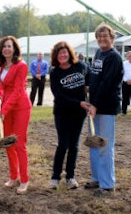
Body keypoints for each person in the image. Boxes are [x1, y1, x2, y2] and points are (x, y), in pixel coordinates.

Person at [85, 23, 123, 197]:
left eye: (105, 36)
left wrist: (95, 104)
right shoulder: (99, 53)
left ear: (112, 38)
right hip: (94, 104)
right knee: (94, 142)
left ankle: (107, 184)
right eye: (99, 36)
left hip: (106, 106)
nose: (102, 39)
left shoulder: (114, 57)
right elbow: (95, 77)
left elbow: (107, 84)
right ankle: (97, 178)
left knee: (104, 145)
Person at [48, 41, 89, 190]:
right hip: (62, 112)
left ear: (70, 53)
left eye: (65, 52)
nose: (63, 55)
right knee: (63, 144)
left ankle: (70, 176)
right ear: (56, 56)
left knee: (74, 145)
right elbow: (58, 96)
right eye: (60, 54)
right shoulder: (55, 72)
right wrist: (79, 103)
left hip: (79, 114)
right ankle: (55, 177)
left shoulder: (81, 66)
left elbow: (90, 80)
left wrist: (89, 88)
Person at [0, 35, 32, 195]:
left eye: (9, 46)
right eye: (4, 46)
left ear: (15, 49)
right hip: (7, 107)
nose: (7, 49)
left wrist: (5, 109)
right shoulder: (3, 65)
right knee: (8, 143)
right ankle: (13, 176)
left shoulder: (21, 66)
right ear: (1, 50)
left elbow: (17, 90)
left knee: (19, 144)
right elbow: (4, 84)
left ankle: (24, 180)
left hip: (20, 107)